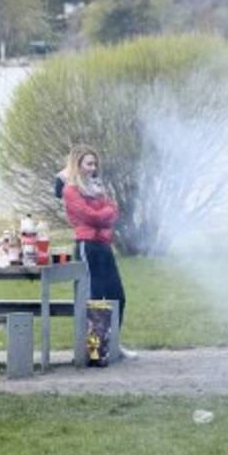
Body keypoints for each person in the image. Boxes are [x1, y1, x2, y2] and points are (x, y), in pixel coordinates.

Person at [61, 145, 137, 359]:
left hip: (104, 245)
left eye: (95, 164)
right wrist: (104, 213)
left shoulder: (98, 188)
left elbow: (114, 211)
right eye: (89, 164)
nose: (93, 168)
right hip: (87, 246)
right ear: (78, 165)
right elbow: (89, 216)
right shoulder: (70, 191)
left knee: (117, 296)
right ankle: (95, 351)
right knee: (95, 298)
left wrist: (103, 212)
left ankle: (113, 344)